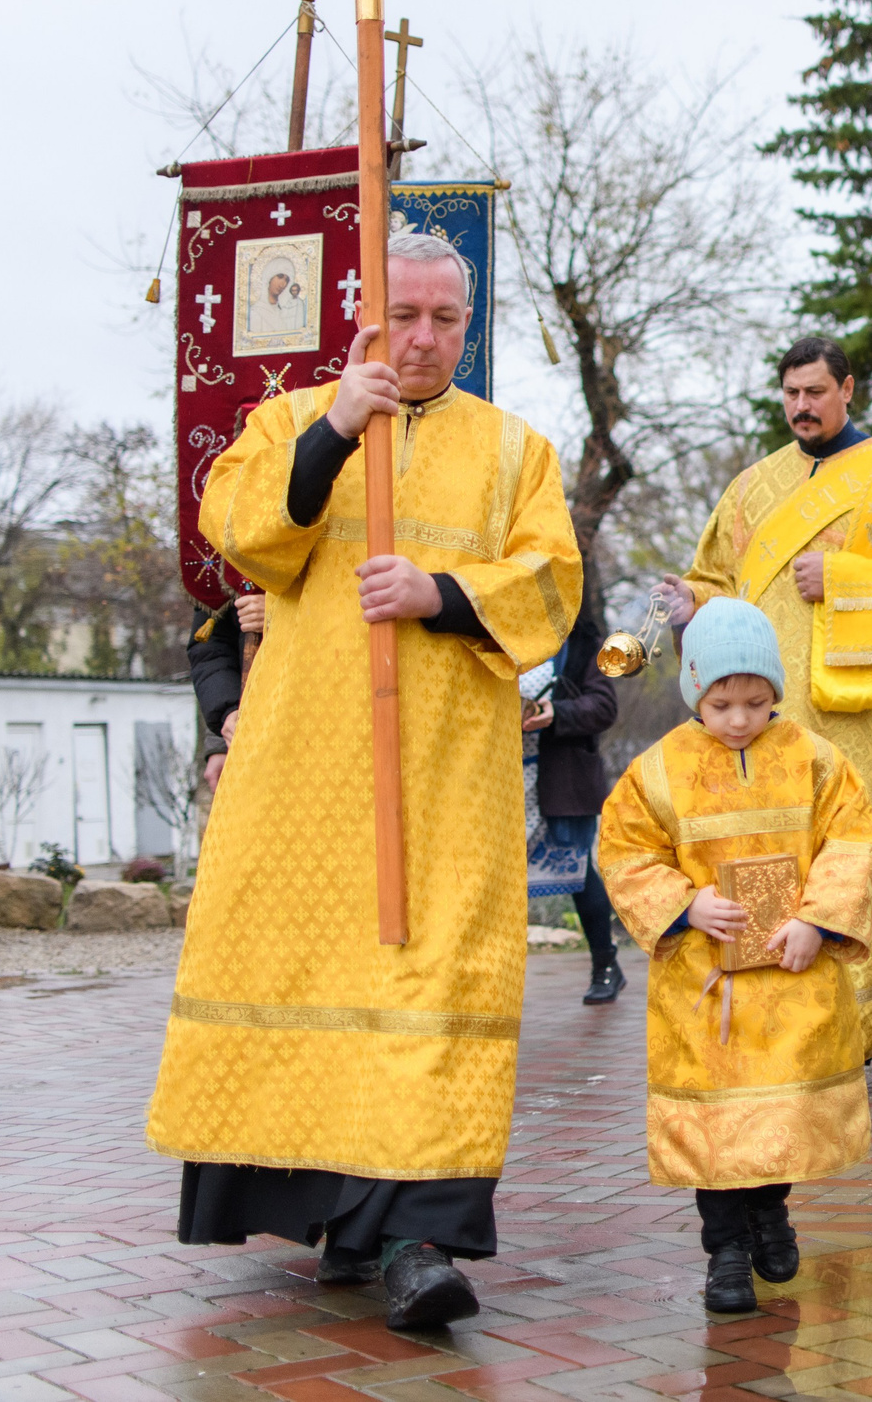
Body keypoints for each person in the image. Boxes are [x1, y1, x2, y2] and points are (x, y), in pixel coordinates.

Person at [147, 230, 582, 1331]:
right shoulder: (292, 418)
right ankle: (339, 1218)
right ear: (364, 319)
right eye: (404, 317)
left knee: (436, 983)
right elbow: (237, 533)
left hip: (444, 774)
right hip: (304, 765)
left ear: (468, 328)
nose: (424, 339)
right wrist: (339, 427)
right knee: (310, 974)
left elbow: (551, 580)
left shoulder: (514, 448)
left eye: (445, 319)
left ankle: (417, 1238)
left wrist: (440, 591)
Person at [655, 338, 872, 1055]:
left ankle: (844, 1032)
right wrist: (688, 603)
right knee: (766, 850)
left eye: (815, 392)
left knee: (848, 857)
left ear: (847, 388)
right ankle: (773, 1020)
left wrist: (850, 579)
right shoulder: (752, 486)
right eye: (791, 393)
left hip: (858, 715)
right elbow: (718, 581)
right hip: (757, 715)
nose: (801, 406)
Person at [593, 599, 872, 1315]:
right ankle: (724, 1249)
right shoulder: (657, 769)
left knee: (776, 1113)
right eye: (722, 702)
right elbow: (624, 850)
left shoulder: (816, 758)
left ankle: (770, 1213)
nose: (740, 718)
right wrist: (686, 904)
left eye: (756, 700)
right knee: (716, 1121)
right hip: (703, 981)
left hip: (790, 976)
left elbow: (851, 836)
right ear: (695, 689)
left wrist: (818, 917)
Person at [528, 600, 623, 1002]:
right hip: (502, 778)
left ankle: (606, 965)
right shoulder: (496, 635)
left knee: (577, 872)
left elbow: (604, 705)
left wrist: (555, 713)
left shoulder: (585, 642)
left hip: (558, 779)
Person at [186, 590, 265, 796]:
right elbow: (212, 646)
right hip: (251, 742)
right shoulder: (216, 558)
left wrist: (281, 612)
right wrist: (221, 731)